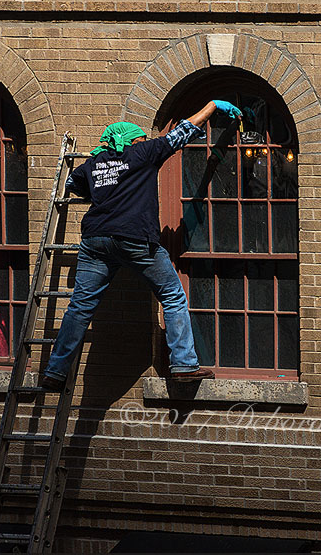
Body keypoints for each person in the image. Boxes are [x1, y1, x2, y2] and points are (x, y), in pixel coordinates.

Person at [40, 99, 242, 391]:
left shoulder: (91, 164)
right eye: (139, 137)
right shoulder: (143, 153)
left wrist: (105, 190)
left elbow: (72, 184)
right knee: (172, 296)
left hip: (96, 239)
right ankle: (184, 365)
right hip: (135, 238)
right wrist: (211, 106)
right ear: (128, 140)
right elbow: (182, 133)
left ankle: (55, 371)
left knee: (80, 307)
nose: (143, 140)